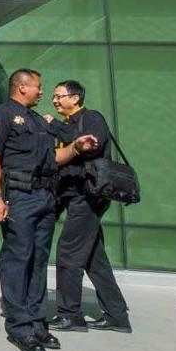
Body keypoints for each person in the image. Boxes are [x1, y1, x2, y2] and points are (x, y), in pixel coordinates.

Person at [0, 69, 98, 351]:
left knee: (38, 260)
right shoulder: (3, 115)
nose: (42, 92)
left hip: (46, 197)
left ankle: (37, 323)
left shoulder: (38, 121)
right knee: (18, 258)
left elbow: (55, 157)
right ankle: (19, 327)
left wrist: (76, 147)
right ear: (22, 88)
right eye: (38, 86)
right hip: (19, 197)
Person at [46, 80, 131, 333]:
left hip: (88, 195)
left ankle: (70, 315)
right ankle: (117, 315)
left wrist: (54, 126)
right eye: (54, 96)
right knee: (95, 259)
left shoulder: (91, 118)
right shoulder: (68, 125)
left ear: (75, 98)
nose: (54, 100)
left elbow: (87, 146)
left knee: (68, 252)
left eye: (59, 96)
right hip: (72, 195)